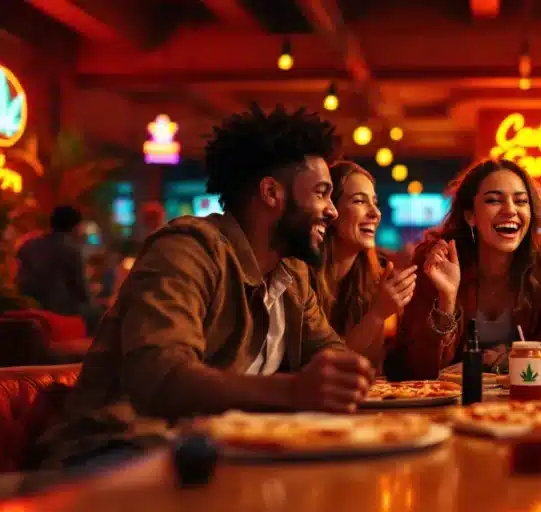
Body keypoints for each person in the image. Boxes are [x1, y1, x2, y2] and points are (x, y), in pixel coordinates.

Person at [36, 105, 374, 469]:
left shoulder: (292, 273)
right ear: (271, 193)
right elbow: (161, 376)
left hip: (212, 452)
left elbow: (329, 354)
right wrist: (293, 391)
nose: (333, 211)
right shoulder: (187, 249)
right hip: (117, 448)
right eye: (322, 193)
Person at [393, 159, 541, 381]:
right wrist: (447, 298)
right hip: (450, 403)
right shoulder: (437, 260)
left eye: (521, 201)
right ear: (470, 215)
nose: (510, 210)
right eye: (493, 200)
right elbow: (417, 368)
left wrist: (507, 365)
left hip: (530, 403)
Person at [312, 160, 417, 367]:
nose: (375, 213)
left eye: (374, 202)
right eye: (359, 201)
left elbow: (369, 365)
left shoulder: (374, 275)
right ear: (330, 210)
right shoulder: (300, 275)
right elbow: (325, 367)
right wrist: (377, 314)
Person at [17, 205, 101, 332]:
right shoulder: (71, 250)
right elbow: (82, 292)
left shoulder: (29, 246)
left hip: (30, 308)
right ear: (75, 227)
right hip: (61, 311)